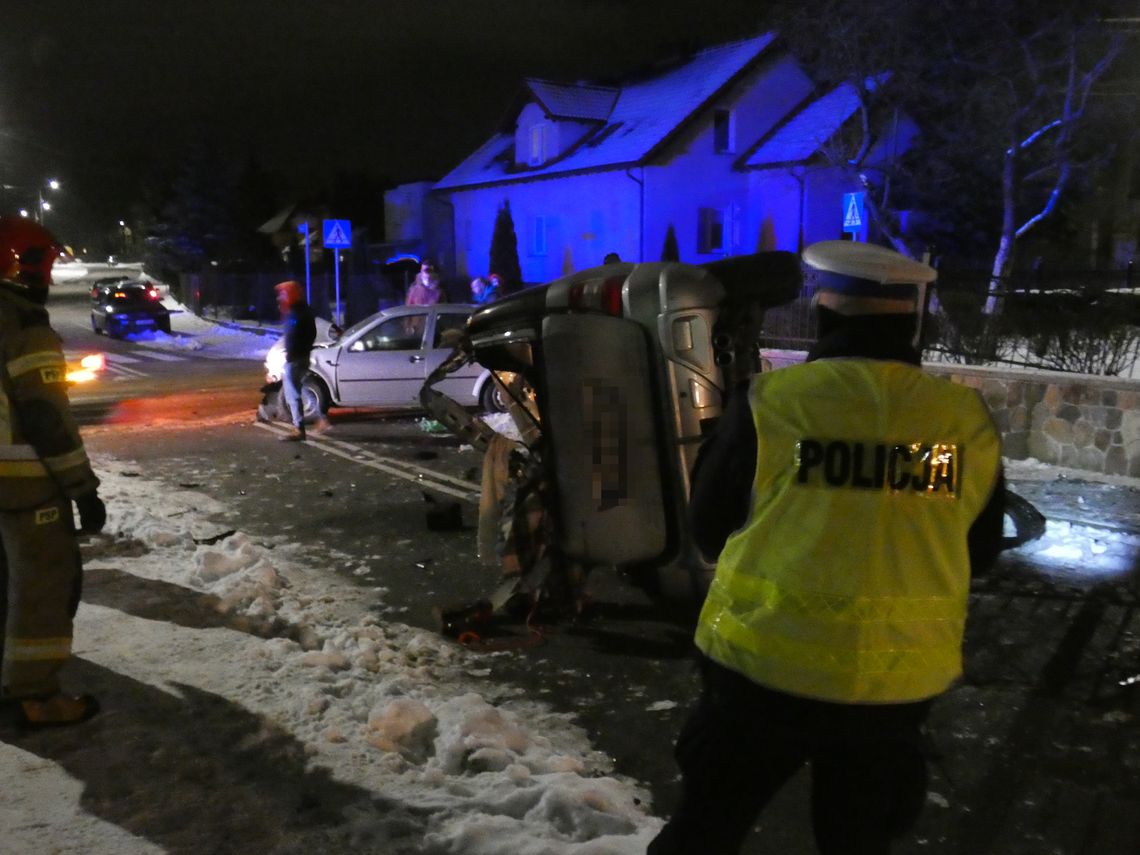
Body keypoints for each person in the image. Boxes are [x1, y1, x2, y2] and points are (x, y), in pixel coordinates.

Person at [649, 240, 1006, 855]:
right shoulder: (962, 419)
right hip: (894, 688)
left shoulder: (773, 403)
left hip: (759, 674)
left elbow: (708, 527)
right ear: (913, 321)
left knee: (705, 833)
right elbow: (983, 546)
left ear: (825, 314)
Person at [0, 216, 105, 728]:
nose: (48, 276)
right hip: (24, 491)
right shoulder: (22, 324)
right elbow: (47, 419)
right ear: (23, 263)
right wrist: (81, 488)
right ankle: (34, 697)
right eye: (45, 262)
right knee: (43, 589)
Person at [274, 280, 327, 441]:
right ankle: (321, 419)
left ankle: (299, 429)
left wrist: (296, 351)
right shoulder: (299, 311)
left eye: (284, 294)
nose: (280, 298)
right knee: (301, 389)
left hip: (295, 359)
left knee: (293, 394)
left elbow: (301, 334)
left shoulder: (298, 313)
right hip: (299, 358)